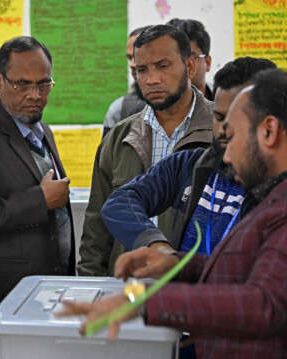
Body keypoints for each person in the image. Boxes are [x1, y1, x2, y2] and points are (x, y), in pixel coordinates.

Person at [58, 68, 287, 359]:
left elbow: (263, 304)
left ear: (268, 131)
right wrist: (175, 264)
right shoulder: (269, 196)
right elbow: (242, 272)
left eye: (235, 135)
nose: (226, 154)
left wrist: (144, 301)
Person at [101, 57, 277, 256]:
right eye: (219, 117)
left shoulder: (276, 193)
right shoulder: (190, 164)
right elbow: (120, 202)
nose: (224, 130)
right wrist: (156, 246)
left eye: (238, 119)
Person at [77, 25, 214, 276]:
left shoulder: (223, 132)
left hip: (200, 289)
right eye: (141, 70)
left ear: (190, 67)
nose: (151, 79)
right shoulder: (119, 138)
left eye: (163, 66)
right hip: (128, 288)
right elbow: (97, 230)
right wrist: (90, 284)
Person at [0, 36, 75, 312]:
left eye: (44, 84)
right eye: (22, 85)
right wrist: (40, 200)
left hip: (47, 288)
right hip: (1, 298)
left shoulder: (41, 129)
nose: (35, 94)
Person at [103, 26, 148, 135]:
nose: (132, 64)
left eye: (138, 56)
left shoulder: (186, 106)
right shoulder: (119, 109)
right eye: (129, 58)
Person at [167, 18, 213, 101]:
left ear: (208, 63)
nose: (181, 65)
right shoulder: (146, 108)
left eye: (191, 57)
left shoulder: (227, 105)